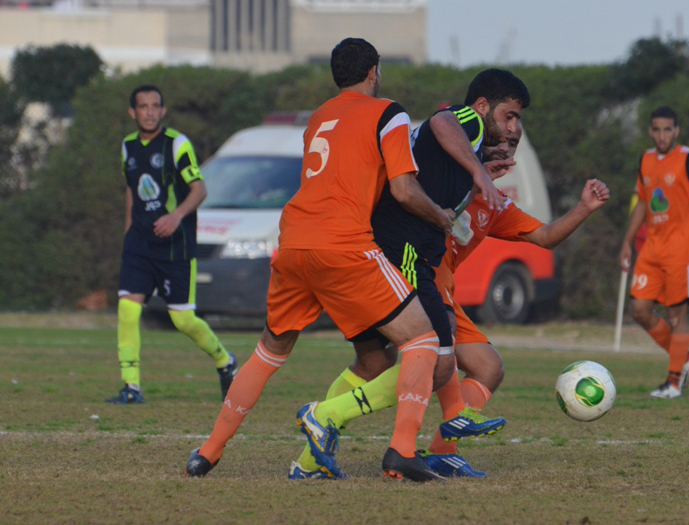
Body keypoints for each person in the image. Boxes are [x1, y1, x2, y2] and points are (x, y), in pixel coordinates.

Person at [184, 37, 455, 482]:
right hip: (345, 245)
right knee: (423, 343)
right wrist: (441, 216)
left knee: (269, 351)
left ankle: (208, 452)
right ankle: (401, 451)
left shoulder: (319, 117)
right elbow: (404, 190)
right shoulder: (389, 111)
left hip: (293, 241)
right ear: (374, 71)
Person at [290, 124, 610, 479]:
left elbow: (546, 236)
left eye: (513, 144)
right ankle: (381, 443)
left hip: (440, 285)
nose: (505, 149)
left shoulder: (495, 204)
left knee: (483, 366)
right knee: (425, 362)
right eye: (498, 141)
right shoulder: (447, 176)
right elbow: (411, 197)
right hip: (406, 270)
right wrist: (475, 177)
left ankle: (437, 452)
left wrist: (584, 207)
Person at [289, 68, 529, 480]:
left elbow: (443, 189)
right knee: (434, 354)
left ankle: (311, 463)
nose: (514, 126)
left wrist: (478, 172)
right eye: (509, 115)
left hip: (404, 247)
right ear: (484, 106)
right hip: (403, 248)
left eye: (518, 119)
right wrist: (476, 170)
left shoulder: (466, 149)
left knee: (379, 362)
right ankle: (338, 419)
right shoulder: (465, 121)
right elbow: (441, 120)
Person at [109, 84, 237, 404]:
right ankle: (131, 386)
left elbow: (199, 189)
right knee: (127, 308)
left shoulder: (177, 144)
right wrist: (129, 233)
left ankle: (225, 361)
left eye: (155, 106)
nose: (150, 111)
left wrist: (176, 216)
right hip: (139, 244)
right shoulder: (127, 147)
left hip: (174, 246)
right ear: (133, 112)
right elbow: (131, 190)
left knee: (182, 320)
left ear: (163, 111)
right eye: (143, 106)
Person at [618, 106, 689, 399]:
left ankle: (674, 382)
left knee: (677, 315)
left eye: (667, 129)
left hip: (683, 250)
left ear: (677, 130)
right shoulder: (646, 160)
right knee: (639, 310)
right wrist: (626, 241)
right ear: (650, 131)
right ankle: (685, 356)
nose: (662, 135)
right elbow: (642, 203)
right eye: (657, 129)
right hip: (652, 248)